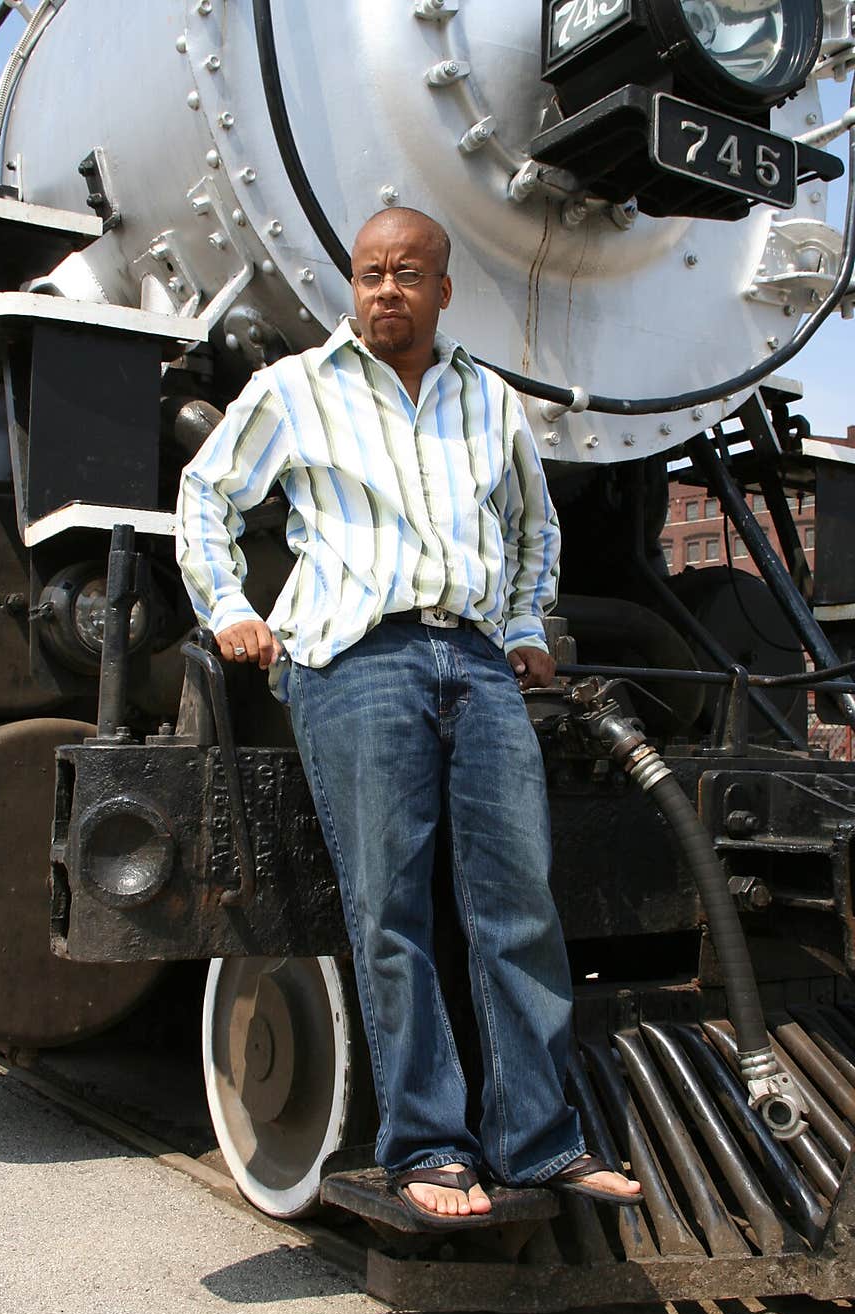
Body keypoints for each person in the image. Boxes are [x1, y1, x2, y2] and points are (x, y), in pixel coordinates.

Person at [176, 207, 641, 1226]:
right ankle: (428, 1146)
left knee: (518, 902)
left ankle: (539, 1141)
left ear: (441, 290)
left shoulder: (490, 400)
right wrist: (231, 609)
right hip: (354, 657)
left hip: (475, 661)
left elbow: (532, 527)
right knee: (391, 910)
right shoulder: (293, 388)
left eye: (406, 274)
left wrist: (524, 623)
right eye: (369, 272)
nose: (384, 289)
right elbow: (205, 493)